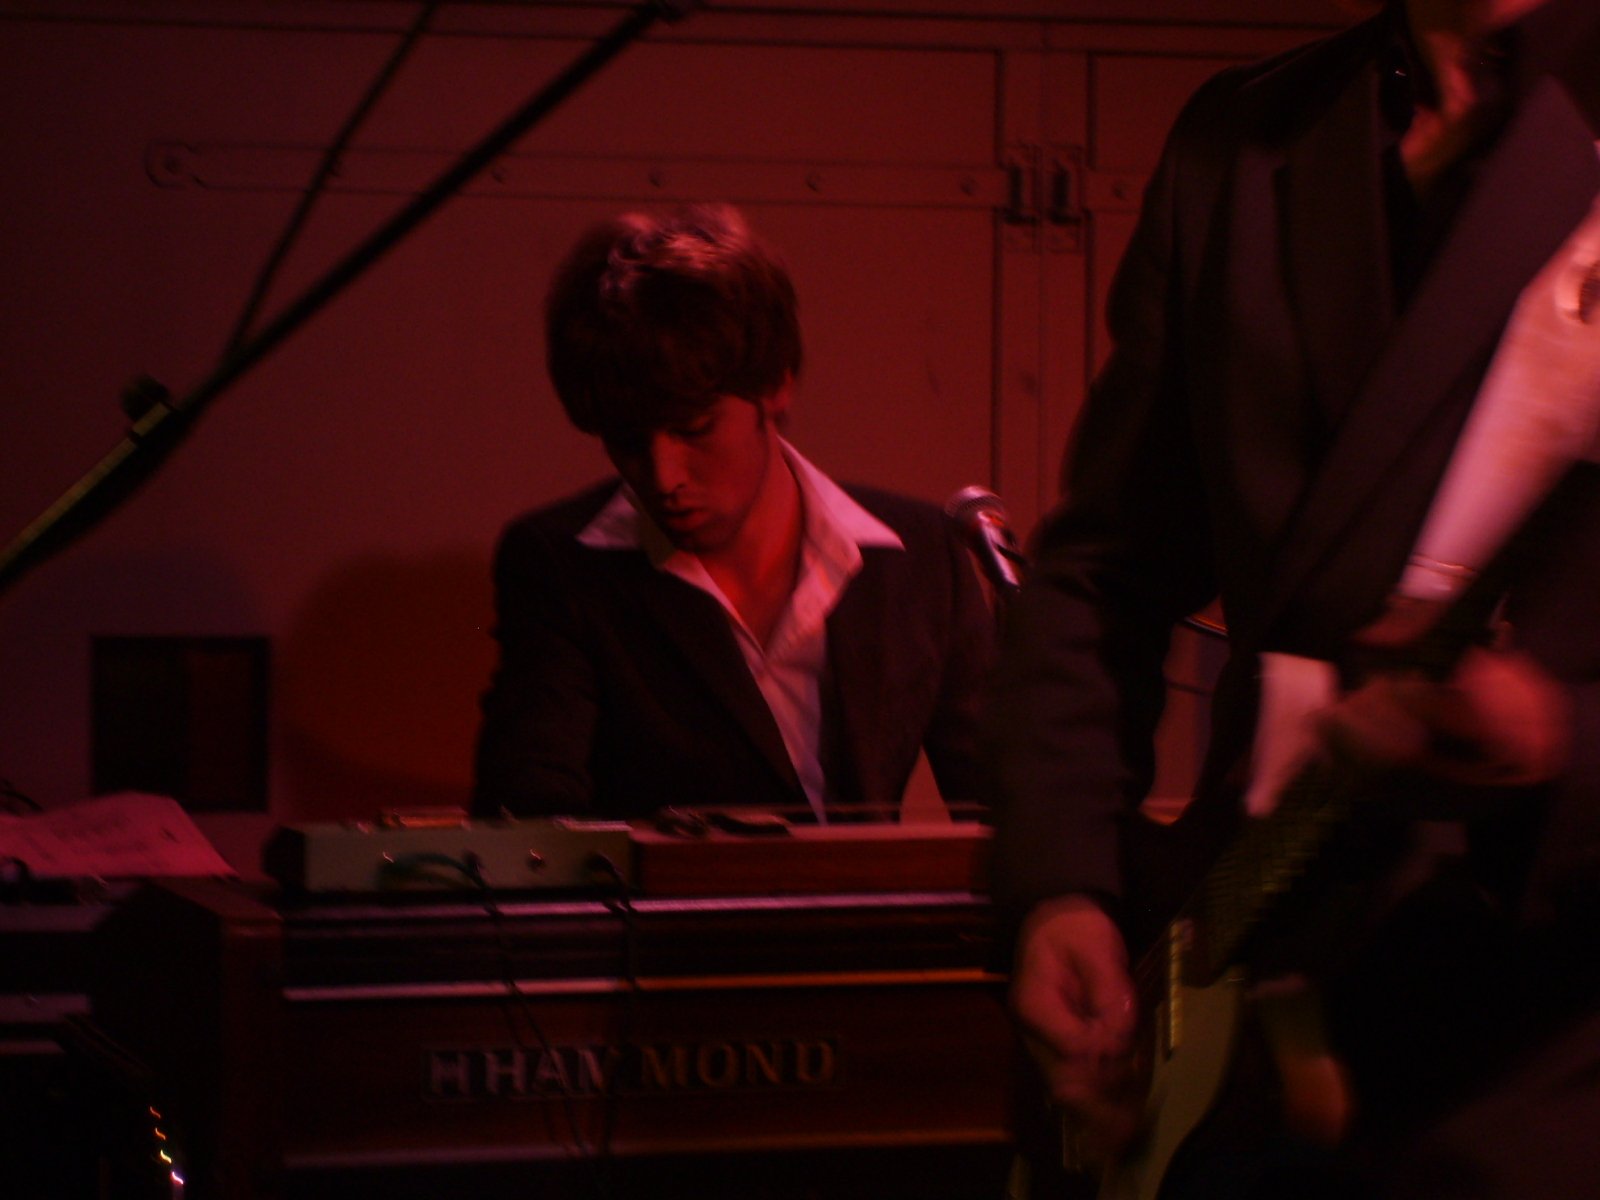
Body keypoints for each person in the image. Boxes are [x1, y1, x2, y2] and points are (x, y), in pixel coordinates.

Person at [986, 0, 1600, 1196]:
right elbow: (1103, 566)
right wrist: (1060, 882)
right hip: (1248, 972)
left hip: (1548, 1029)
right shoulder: (1241, 140)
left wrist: (1557, 743)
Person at [471, 204, 994, 823]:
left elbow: (1005, 804)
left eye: (694, 429)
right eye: (628, 442)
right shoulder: (560, 565)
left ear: (776, 385)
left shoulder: (923, 557)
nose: (663, 478)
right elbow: (529, 819)